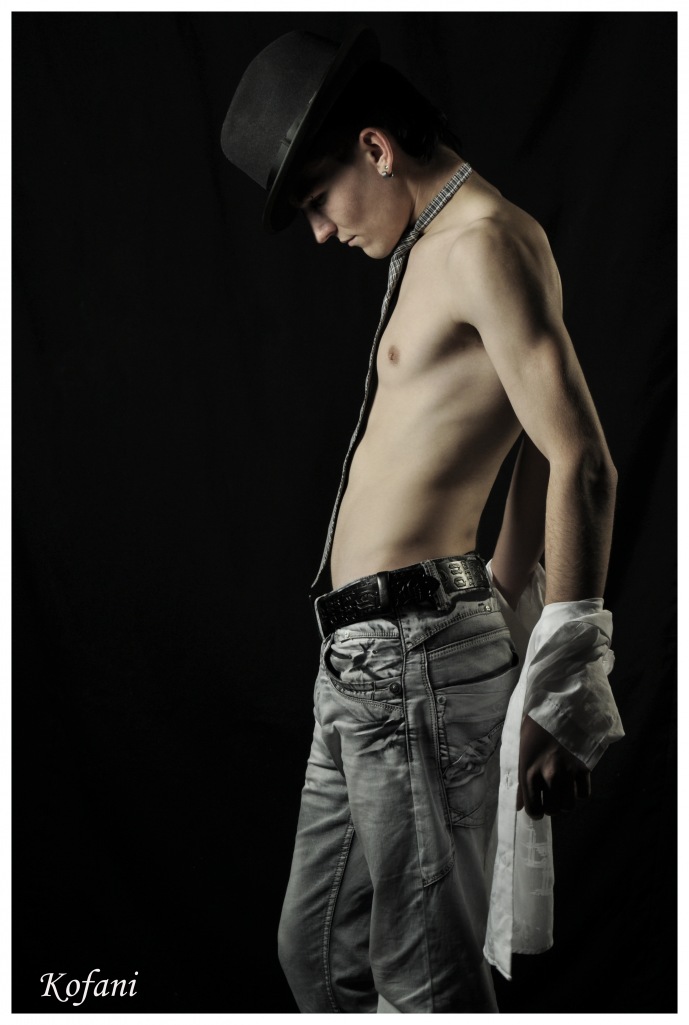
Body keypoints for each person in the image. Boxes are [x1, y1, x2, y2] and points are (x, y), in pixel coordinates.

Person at [221, 26, 623, 1013]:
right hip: (364, 663)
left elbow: (579, 458)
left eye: (316, 199)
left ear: (373, 147)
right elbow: (526, 447)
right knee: (318, 956)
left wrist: (561, 683)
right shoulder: (431, 244)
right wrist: (509, 602)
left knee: (423, 982)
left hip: (413, 658)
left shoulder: (482, 243)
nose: (322, 232)